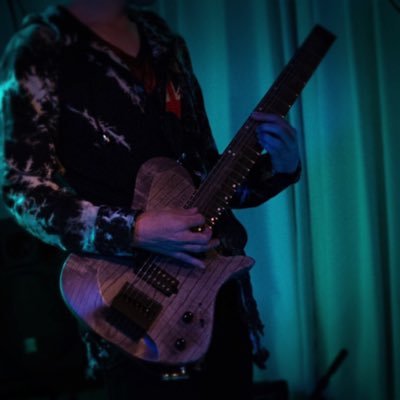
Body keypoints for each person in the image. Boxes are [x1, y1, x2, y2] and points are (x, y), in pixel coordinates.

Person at [0, 0, 301, 399]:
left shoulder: (163, 40)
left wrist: (280, 166)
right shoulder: (41, 46)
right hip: (130, 299)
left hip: (216, 293)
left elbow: (206, 175)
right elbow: (21, 189)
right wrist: (135, 230)